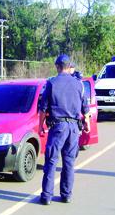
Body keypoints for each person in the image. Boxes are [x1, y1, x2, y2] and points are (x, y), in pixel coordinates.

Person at [38, 54, 90, 205]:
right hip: (73, 128)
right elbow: (85, 109)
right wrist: (86, 124)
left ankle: (47, 196)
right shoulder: (79, 84)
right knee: (69, 163)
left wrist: (41, 125)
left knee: (52, 161)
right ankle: (66, 195)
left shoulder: (51, 83)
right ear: (69, 66)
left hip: (58, 127)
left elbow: (43, 108)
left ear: (57, 66)